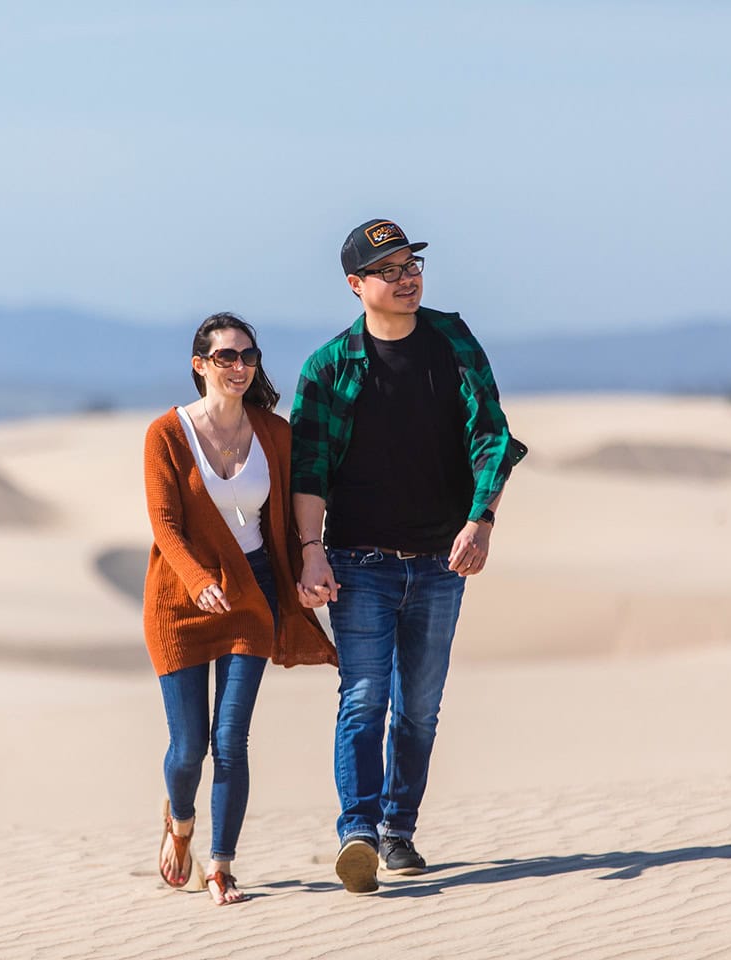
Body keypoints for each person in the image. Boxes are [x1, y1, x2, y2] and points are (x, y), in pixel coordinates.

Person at [290, 219, 528, 894]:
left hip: (438, 564)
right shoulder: (329, 367)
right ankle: (358, 834)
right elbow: (308, 470)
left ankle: (398, 830)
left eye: (411, 265)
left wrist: (481, 521)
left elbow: (492, 437)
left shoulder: (452, 341)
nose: (406, 279)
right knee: (365, 699)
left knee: (419, 709)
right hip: (358, 562)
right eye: (389, 270)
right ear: (356, 284)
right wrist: (311, 551)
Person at [143, 312, 337, 906]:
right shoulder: (166, 434)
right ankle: (180, 821)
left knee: (230, 740)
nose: (240, 366)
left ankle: (222, 864)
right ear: (199, 365)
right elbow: (165, 525)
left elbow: (290, 516)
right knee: (188, 748)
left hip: (252, 593)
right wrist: (199, 580)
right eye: (226, 356)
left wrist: (307, 565)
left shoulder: (273, 433)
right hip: (179, 599)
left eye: (248, 356)